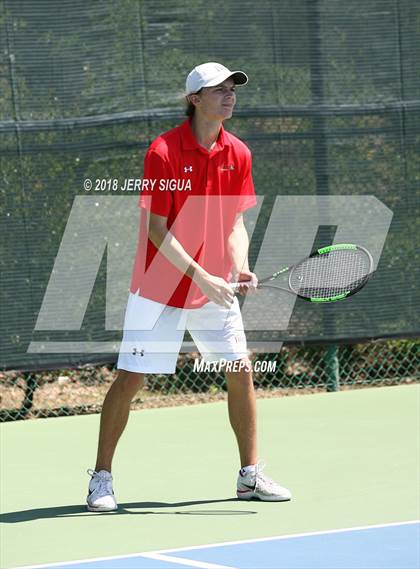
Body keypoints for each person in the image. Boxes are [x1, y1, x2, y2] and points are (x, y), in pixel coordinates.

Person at [86, 62, 292, 512]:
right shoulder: (162, 152)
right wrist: (202, 273)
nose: (229, 95)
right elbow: (158, 229)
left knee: (241, 372)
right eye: (218, 90)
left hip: (214, 288)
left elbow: (235, 219)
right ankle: (101, 478)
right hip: (159, 289)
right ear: (194, 99)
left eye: (233, 88)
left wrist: (240, 265)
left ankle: (250, 474)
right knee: (130, 380)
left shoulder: (238, 153)